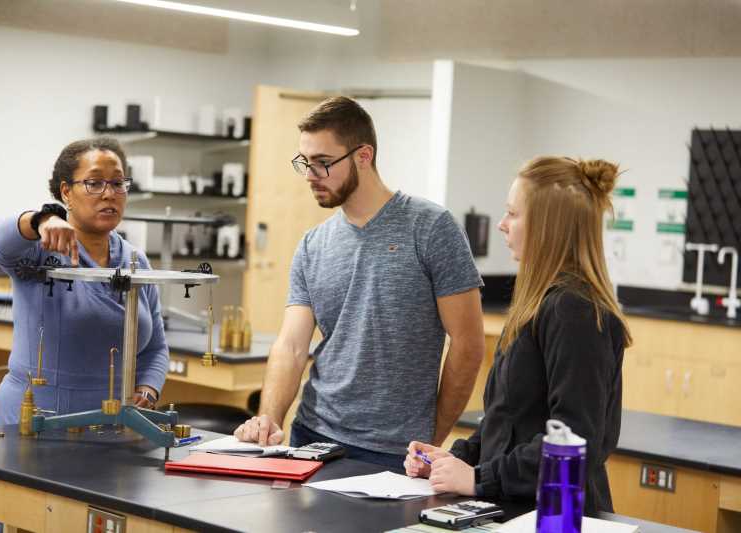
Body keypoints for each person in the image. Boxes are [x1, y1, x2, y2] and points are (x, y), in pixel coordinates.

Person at [233, 96, 486, 469]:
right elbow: (290, 346)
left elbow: (468, 344)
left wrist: (432, 437)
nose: (310, 175)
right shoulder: (313, 244)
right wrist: (269, 417)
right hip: (312, 437)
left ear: (363, 156)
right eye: (305, 162)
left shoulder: (431, 228)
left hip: (393, 451)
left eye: (323, 163)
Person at [404, 156, 633, 515]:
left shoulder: (574, 310)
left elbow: (574, 440)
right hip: (509, 507)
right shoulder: (538, 304)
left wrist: (480, 478)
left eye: (513, 213)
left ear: (547, 226)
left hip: (554, 515)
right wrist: (455, 460)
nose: (502, 225)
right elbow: (505, 419)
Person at [0, 138, 168, 531]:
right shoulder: (39, 251)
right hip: (35, 421)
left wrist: (147, 392)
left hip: (112, 428)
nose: (109, 194)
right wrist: (42, 219)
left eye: (118, 183)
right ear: (66, 191)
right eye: (94, 183)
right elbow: (1, 241)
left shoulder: (135, 260)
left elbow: (155, 347)